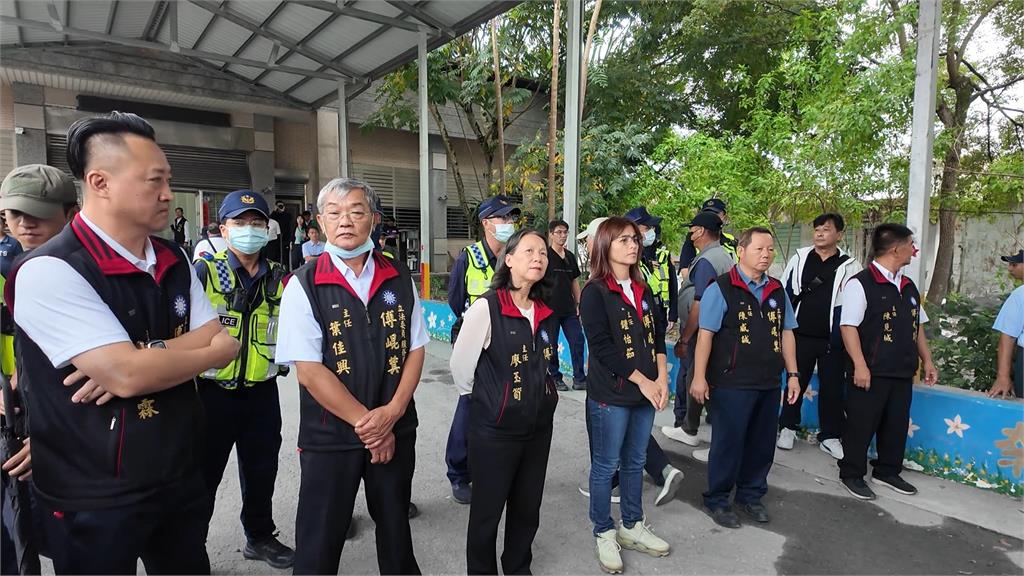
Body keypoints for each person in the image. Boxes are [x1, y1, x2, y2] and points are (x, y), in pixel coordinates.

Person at [9, 111, 241, 574]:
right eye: (154, 181)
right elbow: (129, 376)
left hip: (176, 473)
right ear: (100, 182)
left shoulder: (173, 258)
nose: (168, 194)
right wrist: (149, 364)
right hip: (91, 492)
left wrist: (142, 358)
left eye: (168, 180)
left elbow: (224, 342)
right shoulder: (48, 269)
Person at [276, 177, 427, 575]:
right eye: (335, 213)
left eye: (357, 211)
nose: (346, 221)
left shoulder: (398, 277)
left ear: (373, 220)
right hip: (332, 436)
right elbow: (308, 371)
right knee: (320, 538)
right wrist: (369, 425)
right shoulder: (302, 285)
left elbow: (415, 349)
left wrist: (392, 413)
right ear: (321, 222)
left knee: (395, 529)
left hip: (395, 428)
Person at [194, 189, 293, 568]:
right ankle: (192, 544)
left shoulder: (281, 279)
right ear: (224, 228)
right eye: (240, 222)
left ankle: (260, 536)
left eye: (257, 223)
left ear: (268, 230)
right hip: (210, 393)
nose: (249, 230)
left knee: (262, 468)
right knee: (203, 474)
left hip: (261, 393)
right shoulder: (204, 272)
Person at [452, 229, 559, 575]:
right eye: (528, 251)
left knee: (527, 508)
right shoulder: (488, 306)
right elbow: (460, 368)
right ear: (508, 259)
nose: (538, 258)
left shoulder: (544, 310)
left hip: (537, 428)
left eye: (542, 253)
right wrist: (491, 401)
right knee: (487, 512)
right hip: (495, 430)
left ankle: (517, 566)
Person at [690, 227, 801, 528]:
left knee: (762, 444)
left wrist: (792, 374)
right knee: (729, 443)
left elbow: (787, 332)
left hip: (768, 382)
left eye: (769, 250)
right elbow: (705, 336)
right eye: (759, 249)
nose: (766, 255)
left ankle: (750, 496)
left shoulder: (777, 290)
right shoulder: (722, 288)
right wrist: (699, 377)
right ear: (741, 251)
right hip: (732, 383)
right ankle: (717, 498)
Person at [0, 163, 79, 575]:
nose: (24, 223)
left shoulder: (82, 273)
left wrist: (52, 438)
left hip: (74, 443)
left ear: (70, 212)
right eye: (15, 214)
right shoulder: (21, 268)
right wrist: (13, 385)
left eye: (37, 212)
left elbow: (105, 373)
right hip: (27, 422)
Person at [580, 217, 671, 574]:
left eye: (634, 239)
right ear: (605, 245)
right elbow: (603, 348)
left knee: (635, 461)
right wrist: (644, 382)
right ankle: (603, 530)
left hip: (646, 392)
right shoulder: (595, 292)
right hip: (612, 394)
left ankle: (632, 524)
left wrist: (662, 378)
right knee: (606, 465)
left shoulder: (643, 288)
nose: (633, 245)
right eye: (623, 240)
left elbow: (658, 335)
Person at [838, 223, 938, 501]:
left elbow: (917, 327)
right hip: (871, 370)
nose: (913, 250)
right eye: (910, 244)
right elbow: (848, 327)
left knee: (896, 424)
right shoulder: (861, 283)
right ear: (895, 248)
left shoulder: (908, 287)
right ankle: (852, 473)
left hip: (902, 370)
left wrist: (927, 360)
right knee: (861, 424)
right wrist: (859, 364)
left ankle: (887, 471)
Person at [444, 195, 521, 505]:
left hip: (506, 345)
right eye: (502, 219)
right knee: (470, 407)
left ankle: (490, 467)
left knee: (502, 407)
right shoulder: (469, 257)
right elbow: (454, 299)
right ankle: (459, 472)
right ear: (487, 223)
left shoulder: (516, 257)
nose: (508, 225)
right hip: (473, 344)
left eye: (511, 219)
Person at [777, 213, 862, 458]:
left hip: (832, 340)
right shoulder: (800, 258)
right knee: (795, 382)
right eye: (817, 229)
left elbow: (855, 302)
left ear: (839, 234)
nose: (820, 234)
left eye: (826, 229)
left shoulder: (850, 266)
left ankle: (830, 436)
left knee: (833, 388)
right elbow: (785, 292)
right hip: (799, 335)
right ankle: (787, 427)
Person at [661, 211, 734, 452]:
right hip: (717, 331)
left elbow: (700, 304)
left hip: (704, 332)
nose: (690, 234)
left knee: (698, 378)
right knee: (699, 378)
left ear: (701, 231)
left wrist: (686, 337)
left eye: (692, 229)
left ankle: (707, 436)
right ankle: (691, 428)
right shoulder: (722, 256)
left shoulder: (706, 261)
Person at [544, 219, 586, 391]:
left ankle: (579, 378)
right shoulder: (544, 256)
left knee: (577, 340)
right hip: (549, 309)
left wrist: (579, 303)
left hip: (569, 309)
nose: (562, 236)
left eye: (565, 232)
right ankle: (555, 377)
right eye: (559, 232)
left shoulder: (569, 257)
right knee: (551, 345)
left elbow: (574, 281)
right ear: (551, 234)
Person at [625, 207, 678, 331]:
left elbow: (672, 284)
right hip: (637, 315)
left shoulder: (661, 252)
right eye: (648, 228)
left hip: (659, 313)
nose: (652, 231)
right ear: (635, 229)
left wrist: (673, 314)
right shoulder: (626, 256)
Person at [989, 249, 1024, 399]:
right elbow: (1008, 336)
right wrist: (1003, 376)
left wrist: (1003, 376)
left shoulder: (1019, 295)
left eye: (1014, 264)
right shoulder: (1020, 294)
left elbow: (1008, 337)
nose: (1010, 268)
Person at [678, 198, 737, 278]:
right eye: (706, 213)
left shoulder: (731, 241)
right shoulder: (693, 239)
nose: (710, 216)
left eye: (715, 213)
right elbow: (686, 274)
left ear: (724, 216)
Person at [268, 199, 292, 266]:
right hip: (276, 240)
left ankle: (286, 272)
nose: (280, 207)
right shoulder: (274, 215)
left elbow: (290, 227)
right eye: (279, 206)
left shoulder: (287, 215)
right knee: (275, 257)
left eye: (282, 205)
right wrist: (275, 210)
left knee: (285, 258)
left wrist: (289, 240)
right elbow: (270, 219)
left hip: (285, 239)